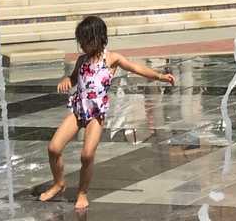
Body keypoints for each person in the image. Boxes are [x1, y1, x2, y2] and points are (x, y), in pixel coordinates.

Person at [40, 15, 176, 210]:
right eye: (81, 42)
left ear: (98, 39)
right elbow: (72, 79)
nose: (82, 46)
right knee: (53, 148)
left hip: (96, 115)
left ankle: (82, 192)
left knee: (87, 155)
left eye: (85, 42)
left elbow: (137, 69)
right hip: (78, 110)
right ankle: (58, 183)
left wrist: (161, 76)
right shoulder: (81, 60)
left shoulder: (112, 58)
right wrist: (66, 80)